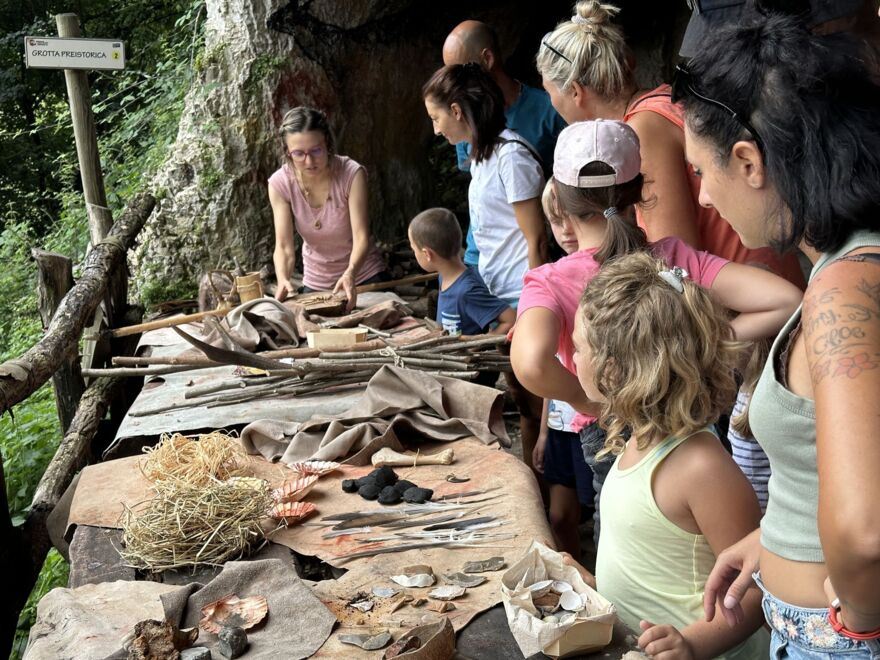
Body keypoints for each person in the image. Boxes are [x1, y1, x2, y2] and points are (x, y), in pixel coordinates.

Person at [675, 13, 880, 658]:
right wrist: (776, 538)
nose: (704, 198)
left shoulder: (844, 291)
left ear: (748, 160)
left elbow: (865, 534)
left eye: (701, 173)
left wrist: (856, 627)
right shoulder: (851, 265)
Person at [510, 119, 803, 541]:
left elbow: (530, 361)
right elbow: (785, 300)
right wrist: (695, 347)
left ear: (561, 201)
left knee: (627, 534)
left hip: (608, 429)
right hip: (688, 413)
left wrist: (586, 400)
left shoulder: (551, 281)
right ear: (639, 191)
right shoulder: (674, 258)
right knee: (701, 530)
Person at [572, 251, 769, 659]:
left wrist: (692, 644)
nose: (572, 359)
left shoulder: (701, 468)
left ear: (615, 370)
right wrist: (588, 582)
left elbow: (755, 591)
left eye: (578, 348)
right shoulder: (637, 441)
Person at [535, 0, 805, 288]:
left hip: (749, 306)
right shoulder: (666, 100)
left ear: (576, 92)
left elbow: (676, 265)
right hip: (768, 282)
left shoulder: (644, 131)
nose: (552, 105)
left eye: (549, 92)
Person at [423, 62, 548, 477]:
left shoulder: (511, 156)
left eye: (437, 118)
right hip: (496, 293)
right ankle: (533, 485)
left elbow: (536, 239)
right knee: (519, 396)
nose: (437, 129)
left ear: (457, 111)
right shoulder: (481, 157)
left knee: (533, 402)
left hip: (520, 296)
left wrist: (533, 308)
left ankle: (542, 489)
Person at [442, 20, 567, 270]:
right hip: (478, 257)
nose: (451, 84)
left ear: (487, 59)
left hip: (525, 259)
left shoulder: (549, 110)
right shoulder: (464, 119)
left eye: (459, 72)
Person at [268, 106, 387, 310]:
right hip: (317, 283)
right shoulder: (280, 183)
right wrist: (283, 278)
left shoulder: (351, 173)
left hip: (364, 277)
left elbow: (361, 237)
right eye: (298, 154)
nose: (309, 161)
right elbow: (284, 246)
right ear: (287, 152)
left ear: (328, 144)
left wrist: (350, 273)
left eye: (316, 150)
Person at [532, 178, 594, 559]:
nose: (566, 231)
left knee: (599, 508)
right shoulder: (547, 281)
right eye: (556, 222)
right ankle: (579, 574)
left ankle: (603, 578)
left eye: (573, 218)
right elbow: (546, 369)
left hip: (592, 419)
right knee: (559, 515)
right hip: (559, 424)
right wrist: (542, 432)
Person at [408, 207, 515, 337]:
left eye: (414, 249)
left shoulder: (467, 290)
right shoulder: (444, 277)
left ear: (427, 254)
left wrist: (474, 344)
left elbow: (510, 319)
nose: (414, 254)